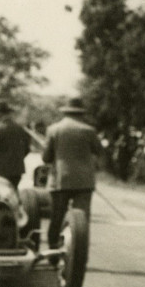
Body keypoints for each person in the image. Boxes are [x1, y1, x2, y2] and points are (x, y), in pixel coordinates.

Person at [41, 97, 102, 251]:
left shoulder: (54, 129)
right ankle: (79, 253)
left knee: (57, 216)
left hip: (60, 180)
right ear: (81, 113)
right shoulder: (89, 130)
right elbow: (99, 151)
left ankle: (53, 249)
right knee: (82, 220)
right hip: (84, 181)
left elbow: (46, 158)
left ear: (65, 112)